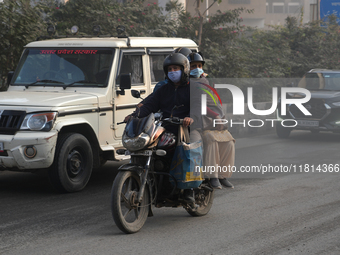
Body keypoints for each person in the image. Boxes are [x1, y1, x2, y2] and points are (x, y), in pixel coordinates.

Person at [125, 53, 195, 202]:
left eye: (175, 68)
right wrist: (134, 115)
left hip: (185, 128)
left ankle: (189, 190)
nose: (172, 72)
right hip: (165, 127)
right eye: (169, 69)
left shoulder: (193, 88)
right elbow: (149, 104)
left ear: (185, 70)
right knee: (150, 148)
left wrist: (190, 117)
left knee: (184, 152)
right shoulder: (163, 89)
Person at [188, 52, 236, 189]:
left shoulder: (207, 80)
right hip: (202, 119)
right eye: (193, 66)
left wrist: (220, 116)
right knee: (212, 140)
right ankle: (212, 176)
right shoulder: (188, 83)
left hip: (217, 118)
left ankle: (222, 176)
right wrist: (215, 115)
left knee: (229, 142)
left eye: (199, 65)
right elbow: (199, 104)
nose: (196, 68)